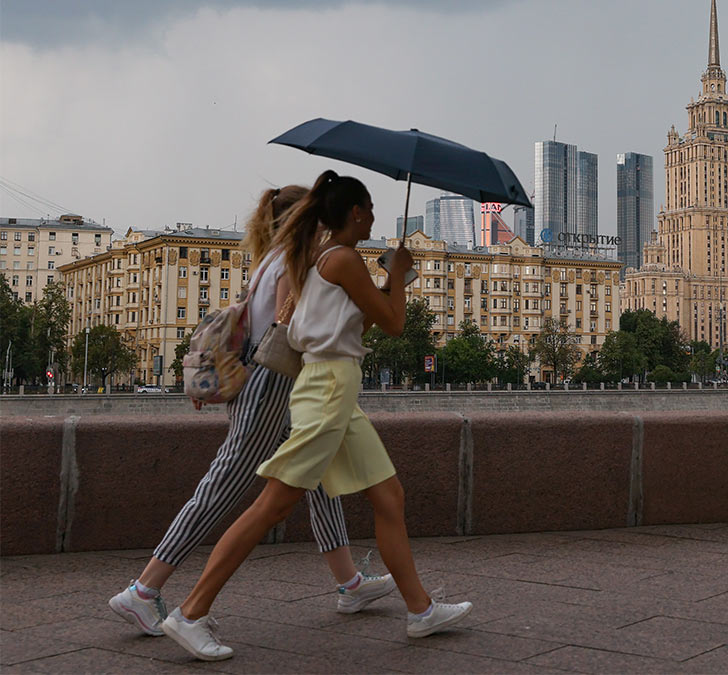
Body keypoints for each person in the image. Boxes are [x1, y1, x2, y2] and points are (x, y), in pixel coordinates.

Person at [162, 171, 471, 661]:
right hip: (328, 388)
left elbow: (355, 322)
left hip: (334, 387)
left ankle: (420, 609)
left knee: (389, 495)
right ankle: (190, 612)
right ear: (355, 212)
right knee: (273, 505)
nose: (373, 219)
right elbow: (392, 323)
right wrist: (399, 276)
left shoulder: (318, 260)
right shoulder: (343, 259)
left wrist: (391, 280)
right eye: (369, 211)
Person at [108, 186, 395, 638]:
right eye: (321, 218)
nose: (327, 226)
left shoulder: (271, 258)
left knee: (316, 479)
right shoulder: (294, 262)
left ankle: (350, 583)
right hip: (275, 383)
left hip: (274, 382)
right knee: (222, 486)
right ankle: (143, 591)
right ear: (305, 220)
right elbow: (294, 330)